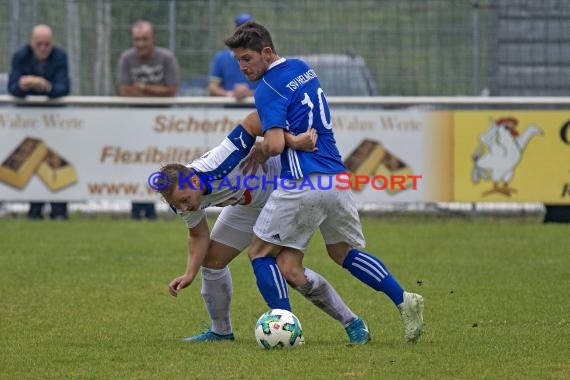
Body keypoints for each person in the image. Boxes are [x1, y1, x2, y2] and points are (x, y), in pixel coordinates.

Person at [224, 22, 425, 344]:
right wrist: (292, 137)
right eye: (237, 61)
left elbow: (273, 146)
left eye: (247, 59)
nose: (242, 67)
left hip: (301, 182)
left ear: (266, 52)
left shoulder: (267, 88)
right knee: (329, 257)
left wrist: (267, 146)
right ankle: (401, 300)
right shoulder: (302, 68)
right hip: (336, 179)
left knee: (259, 253)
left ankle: (284, 329)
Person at [154, 111, 370, 344]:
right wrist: (189, 273)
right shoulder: (182, 199)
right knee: (212, 262)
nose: (185, 208)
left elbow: (257, 119)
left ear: (194, 181)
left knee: (290, 269)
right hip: (250, 205)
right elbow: (198, 235)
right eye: (179, 205)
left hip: (285, 192)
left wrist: (289, 141)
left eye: (185, 201)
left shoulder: (220, 161)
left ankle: (353, 323)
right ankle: (221, 332)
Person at [117, 20, 181, 220]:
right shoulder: (127, 58)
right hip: (134, 122)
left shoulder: (166, 58)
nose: (140, 44)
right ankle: (137, 207)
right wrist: (157, 91)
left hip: (162, 123)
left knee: (159, 164)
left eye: (144, 39)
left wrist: (143, 88)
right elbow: (124, 91)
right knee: (136, 164)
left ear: (154, 39)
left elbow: (172, 90)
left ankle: (157, 205)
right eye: (136, 40)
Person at [8, 24, 71, 220]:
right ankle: (34, 209)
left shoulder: (60, 56)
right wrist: (22, 85)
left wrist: (47, 87)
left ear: (52, 44)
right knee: (31, 165)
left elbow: (64, 88)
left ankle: (59, 211)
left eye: (47, 44)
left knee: (57, 164)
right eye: (39, 44)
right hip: (28, 122)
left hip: (54, 122)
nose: (43, 48)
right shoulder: (20, 55)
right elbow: (12, 87)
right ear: (31, 43)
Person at [208, 13, 257, 100]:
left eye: (249, 29)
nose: (244, 32)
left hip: (257, 110)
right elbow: (213, 88)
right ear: (234, 30)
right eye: (240, 28)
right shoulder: (221, 58)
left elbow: (273, 87)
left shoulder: (262, 57)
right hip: (229, 111)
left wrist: (248, 93)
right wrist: (231, 94)